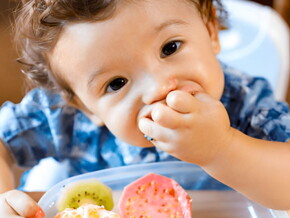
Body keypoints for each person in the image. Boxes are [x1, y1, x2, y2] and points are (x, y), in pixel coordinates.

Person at [0, 0, 290, 217]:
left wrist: (223, 148)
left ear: (211, 31)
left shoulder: (247, 102)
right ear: (83, 106)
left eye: (170, 48)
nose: (157, 89)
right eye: (116, 83)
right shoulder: (67, 118)